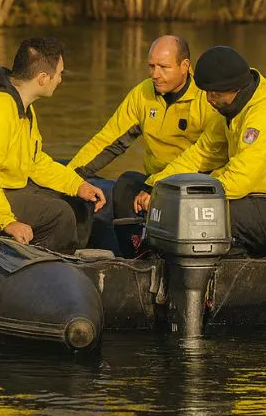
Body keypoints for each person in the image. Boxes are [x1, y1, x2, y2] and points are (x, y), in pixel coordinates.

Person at [133, 45, 266, 256]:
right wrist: (157, 186)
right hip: (255, 198)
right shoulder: (229, 109)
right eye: (206, 93)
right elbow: (200, 154)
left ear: (234, 89)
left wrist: (185, 201)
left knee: (209, 217)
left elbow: (240, 179)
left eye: (215, 94)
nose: (209, 100)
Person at [0, 37, 106, 254]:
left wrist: (77, 186)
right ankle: (40, 271)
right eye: (60, 73)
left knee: (78, 205)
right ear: (43, 78)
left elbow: (35, 162)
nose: (60, 80)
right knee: (59, 214)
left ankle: (74, 268)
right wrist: (6, 221)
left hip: (6, 188)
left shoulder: (24, 108)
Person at [67, 35, 220, 256]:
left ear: (185, 66)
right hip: (152, 183)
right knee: (126, 183)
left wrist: (159, 189)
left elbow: (208, 156)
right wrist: (69, 176)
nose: (155, 75)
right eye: (151, 66)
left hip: (194, 185)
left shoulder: (206, 99)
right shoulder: (142, 94)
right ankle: (136, 255)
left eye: (164, 67)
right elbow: (108, 141)